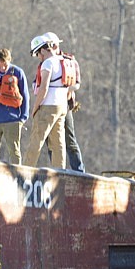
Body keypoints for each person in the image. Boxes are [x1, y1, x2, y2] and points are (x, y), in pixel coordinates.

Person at [23, 33, 70, 168]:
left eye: (37, 54)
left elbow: (43, 88)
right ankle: (60, 173)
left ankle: (26, 170)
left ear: (42, 50)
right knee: (58, 143)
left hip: (48, 106)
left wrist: (35, 108)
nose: (38, 57)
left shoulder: (47, 63)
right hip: (62, 105)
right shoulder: (62, 60)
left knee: (36, 140)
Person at [43, 32, 86, 172]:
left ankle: (79, 172)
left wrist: (61, 91)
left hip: (64, 105)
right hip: (47, 106)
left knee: (69, 139)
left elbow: (76, 84)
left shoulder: (69, 61)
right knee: (50, 141)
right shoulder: (45, 61)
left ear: (54, 45)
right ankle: (56, 170)